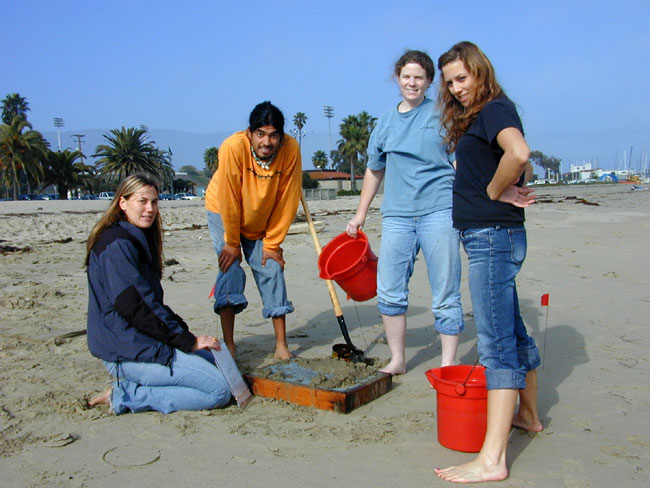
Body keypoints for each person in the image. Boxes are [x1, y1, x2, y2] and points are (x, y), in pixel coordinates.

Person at [435, 41, 542, 483]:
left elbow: (519, 154)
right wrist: (501, 185)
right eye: (450, 83)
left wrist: (497, 192)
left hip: (492, 239)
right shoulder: (483, 114)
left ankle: (492, 460)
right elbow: (511, 164)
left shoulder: (496, 108)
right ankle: (529, 416)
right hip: (493, 236)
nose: (457, 88)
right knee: (513, 331)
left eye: (462, 78)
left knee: (496, 343)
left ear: (480, 71)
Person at [345, 50, 464, 375]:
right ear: (397, 79)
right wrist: (360, 214)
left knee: (445, 290)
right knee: (390, 288)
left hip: (440, 211)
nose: (412, 82)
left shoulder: (444, 114)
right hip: (397, 216)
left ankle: (448, 364)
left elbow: (461, 163)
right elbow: (374, 170)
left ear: (429, 81)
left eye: (419, 77)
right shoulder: (384, 123)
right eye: (406, 76)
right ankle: (398, 360)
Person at [85, 173, 231, 414]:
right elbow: (136, 308)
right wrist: (186, 341)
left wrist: (184, 334)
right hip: (126, 352)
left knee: (219, 362)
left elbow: (151, 302)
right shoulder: (116, 245)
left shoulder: (135, 238)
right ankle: (125, 395)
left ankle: (135, 384)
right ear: (123, 203)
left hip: (144, 342)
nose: (150, 209)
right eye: (142, 201)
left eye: (154, 201)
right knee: (219, 390)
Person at [205, 101, 302, 360]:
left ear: (281, 138)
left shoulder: (291, 149)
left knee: (271, 268)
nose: (266, 142)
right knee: (231, 268)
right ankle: (230, 345)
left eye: (273, 135)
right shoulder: (232, 148)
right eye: (260, 134)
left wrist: (273, 243)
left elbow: (288, 199)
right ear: (249, 134)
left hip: (262, 218)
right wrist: (232, 243)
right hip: (224, 212)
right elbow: (229, 198)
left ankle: (281, 346)